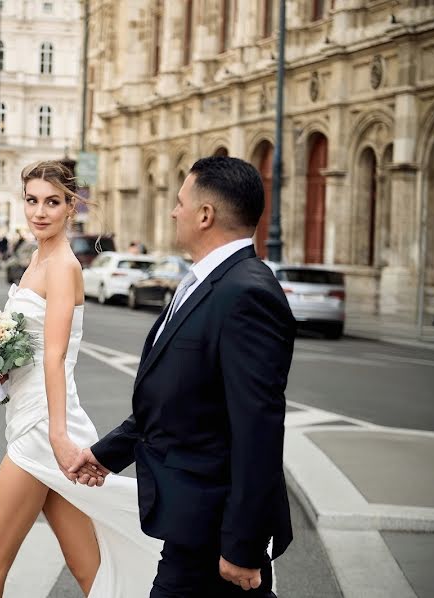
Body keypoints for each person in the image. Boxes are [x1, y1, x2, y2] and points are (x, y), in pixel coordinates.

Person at [70, 156, 296, 596]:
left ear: (206, 215)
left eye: (180, 202)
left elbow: (258, 430)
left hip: (214, 526)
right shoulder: (210, 281)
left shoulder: (246, 292)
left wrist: (244, 544)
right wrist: (106, 454)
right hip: (193, 520)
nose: (175, 211)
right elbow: (179, 399)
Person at [0, 160, 161, 597]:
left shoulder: (62, 265)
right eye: (32, 201)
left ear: (70, 206)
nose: (40, 211)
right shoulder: (37, 258)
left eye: (52, 202)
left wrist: (57, 435)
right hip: (34, 414)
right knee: (89, 569)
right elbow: (31, 348)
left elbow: (54, 357)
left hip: (42, 427)